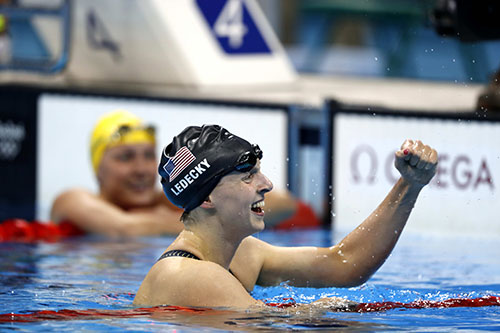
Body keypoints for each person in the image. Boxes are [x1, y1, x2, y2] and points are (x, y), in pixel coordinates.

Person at [133, 125, 438, 310]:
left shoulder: (243, 254)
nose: (267, 184)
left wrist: (409, 185)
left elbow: (346, 264)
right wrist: (317, 311)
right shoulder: (187, 274)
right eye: (248, 177)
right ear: (208, 197)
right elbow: (273, 325)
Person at [50, 111, 303, 237]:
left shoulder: (173, 202)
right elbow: (125, 229)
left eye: (148, 156)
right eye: (125, 157)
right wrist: (215, 217)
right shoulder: (73, 199)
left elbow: (285, 204)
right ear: (98, 167)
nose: (141, 169)